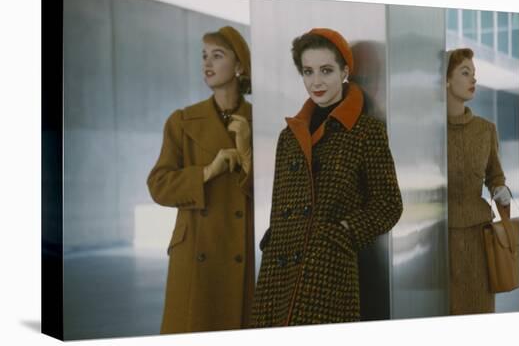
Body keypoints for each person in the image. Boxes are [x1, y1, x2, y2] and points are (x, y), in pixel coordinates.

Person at [251, 28, 403, 326]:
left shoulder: (365, 131)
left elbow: (389, 204)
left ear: (345, 71)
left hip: (329, 268)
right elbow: (280, 203)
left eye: (326, 70)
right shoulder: (289, 136)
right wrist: (274, 239)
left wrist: (343, 232)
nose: (316, 82)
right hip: (279, 268)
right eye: (308, 72)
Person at [147, 26, 254, 333]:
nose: (207, 63)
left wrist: (246, 153)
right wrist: (208, 172)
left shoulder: (259, 122)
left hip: (242, 248)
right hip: (195, 248)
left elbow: (278, 194)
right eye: (204, 56)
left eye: (217, 56)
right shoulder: (182, 121)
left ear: (239, 67)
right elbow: (158, 185)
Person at [446, 48, 511, 314]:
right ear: (446, 80)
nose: (473, 80)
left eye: (474, 74)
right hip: (438, 242)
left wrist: (501, 189)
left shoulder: (486, 129)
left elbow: (495, 176)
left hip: (479, 240)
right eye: (465, 73)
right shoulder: (429, 131)